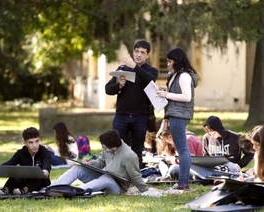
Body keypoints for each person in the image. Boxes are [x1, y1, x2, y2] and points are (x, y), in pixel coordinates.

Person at [105, 39, 158, 169]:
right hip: (121, 115)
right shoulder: (123, 69)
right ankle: (118, 176)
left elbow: (149, 80)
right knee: (117, 148)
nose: (139, 54)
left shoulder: (151, 71)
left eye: (142, 52)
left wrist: (134, 67)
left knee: (137, 150)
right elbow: (108, 89)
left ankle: (135, 180)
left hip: (140, 116)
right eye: (136, 51)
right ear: (133, 52)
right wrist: (119, 85)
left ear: (147, 55)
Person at [50, 129, 148, 194]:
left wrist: (146, 191)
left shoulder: (129, 156)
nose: (102, 148)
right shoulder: (109, 149)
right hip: (102, 176)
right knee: (77, 168)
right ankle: (51, 188)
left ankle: (74, 191)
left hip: (117, 187)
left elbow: (136, 177)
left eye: (104, 147)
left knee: (106, 179)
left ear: (113, 147)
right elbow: (101, 162)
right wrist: (91, 163)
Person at [156, 47, 199, 190]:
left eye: (170, 61)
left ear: (177, 61)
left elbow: (187, 97)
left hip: (180, 115)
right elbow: (176, 93)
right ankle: (182, 181)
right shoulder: (176, 74)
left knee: (182, 149)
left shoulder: (184, 76)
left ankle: (183, 182)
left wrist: (166, 95)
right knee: (181, 149)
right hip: (174, 114)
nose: (168, 64)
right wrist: (165, 92)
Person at [0, 127, 51, 195]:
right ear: (25, 143)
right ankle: (6, 189)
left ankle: (24, 190)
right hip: (24, 180)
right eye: (31, 142)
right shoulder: (20, 153)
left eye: (37, 141)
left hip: (41, 182)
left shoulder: (45, 152)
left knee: (39, 177)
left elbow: (47, 163)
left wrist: (45, 170)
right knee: (16, 174)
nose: (35, 145)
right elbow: (10, 163)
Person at [233, 125, 264, 205]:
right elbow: (257, 176)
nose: (254, 147)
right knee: (238, 188)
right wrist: (246, 179)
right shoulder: (258, 154)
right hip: (262, 186)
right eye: (253, 144)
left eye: (257, 145)